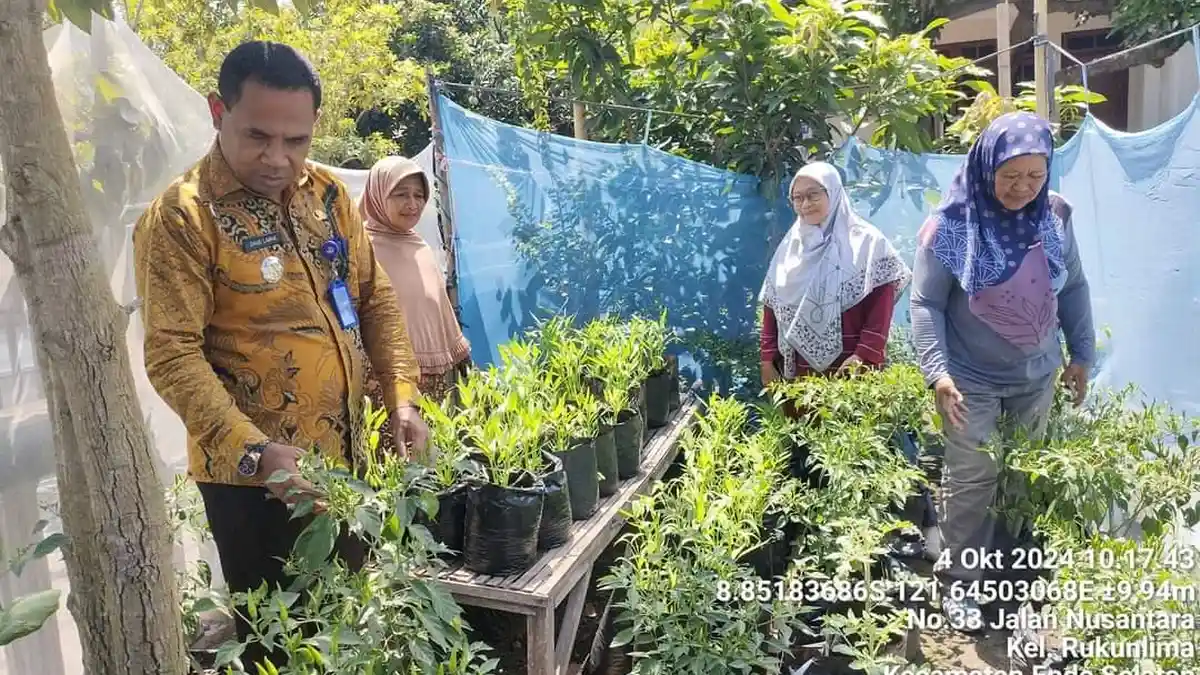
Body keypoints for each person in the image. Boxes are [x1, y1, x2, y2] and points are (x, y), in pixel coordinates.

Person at [132, 41, 429, 667]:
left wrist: (401, 393)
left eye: (295, 140)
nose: (278, 158)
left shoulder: (327, 197)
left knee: (348, 625)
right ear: (218, 111)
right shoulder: (183, 219)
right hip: (256, 484)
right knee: (285, 645)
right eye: (258, 136)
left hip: (347, 461)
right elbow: (171, 355)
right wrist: (255, 452)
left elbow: (374, 301)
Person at [909, 111, 1095, 631]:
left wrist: (1081, 354)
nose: (1023, 188)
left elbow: (1074, 287)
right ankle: (962, 585)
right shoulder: (950, 224)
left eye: (1035, 177)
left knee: (1021, 476)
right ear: (987, 166)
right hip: (969, 377)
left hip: (1036, 375)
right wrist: (937, 373)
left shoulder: (1054, 215)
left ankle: (1012, 577)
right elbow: (926, 303)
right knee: (973, 478)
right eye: (1011, 176)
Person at [759, 161, 912, 386]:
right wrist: (767, 360)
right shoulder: (789, 248)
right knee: (801, 422)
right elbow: (771, 308)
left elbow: (882, 305)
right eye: (798, 198)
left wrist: (864, 355)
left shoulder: (868, 243)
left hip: (851, 369)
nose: (805, 204)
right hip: (797, 373)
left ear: (833, 192)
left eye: (813, 195)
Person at [359, 156, 471, 405]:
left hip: (435, 375)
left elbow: (437, 306)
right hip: (385, 380)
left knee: (435, 440)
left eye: (419, 195)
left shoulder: (420, 246)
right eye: (401, 194)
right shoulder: (361, 250)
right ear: (377, 195)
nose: (412, 204)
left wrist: (460, 351)